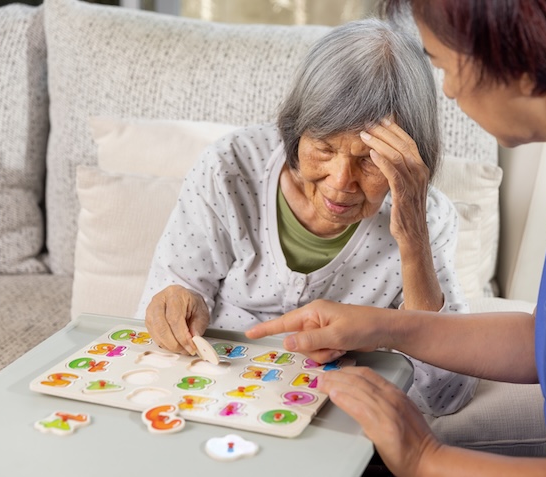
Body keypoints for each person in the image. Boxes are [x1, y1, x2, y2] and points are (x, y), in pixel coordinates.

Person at [247, 1, 546, 476]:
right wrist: (380, 326)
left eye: (444, 64)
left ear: (517, 60)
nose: (445, 89)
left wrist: (427, 458)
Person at [136, 18, 477, 417]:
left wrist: (414, 240)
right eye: (325, 148)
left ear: (409, 158)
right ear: (296, 131)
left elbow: (446, 395)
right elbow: (166, 305)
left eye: (369, 160)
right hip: (213, 394)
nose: (340, 182)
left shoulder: (429, 221)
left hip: (337, 415)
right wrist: (178, 303)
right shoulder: (230, 168)